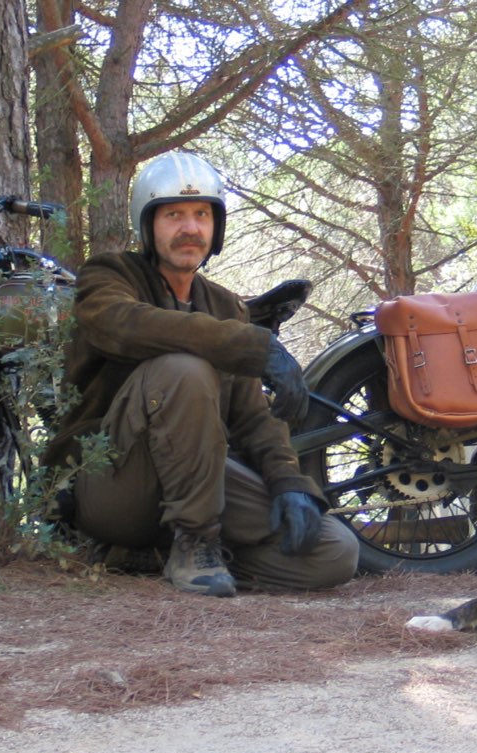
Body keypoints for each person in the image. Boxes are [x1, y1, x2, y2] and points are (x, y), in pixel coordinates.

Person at [47, 152, 358, 597]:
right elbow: (120, 323)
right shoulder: (108, 275)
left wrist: (289, 482)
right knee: (183, 369)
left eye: (202, 215)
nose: (190, 228)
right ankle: (194, 540)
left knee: (333, 550)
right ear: (147, 223)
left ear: (216, 228)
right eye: (173, 214)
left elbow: (253, 419)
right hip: (113, 483)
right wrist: (253, 344)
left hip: (198, 478)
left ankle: (157, 555)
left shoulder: (227, 307)